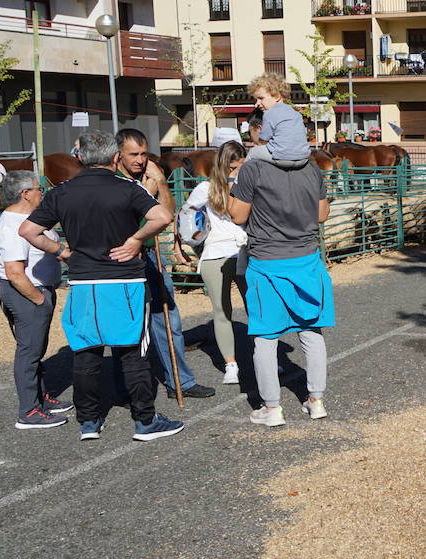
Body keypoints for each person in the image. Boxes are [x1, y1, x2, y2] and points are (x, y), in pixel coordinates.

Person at [20, 130, 182, 442]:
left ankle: (89, 421)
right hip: (125, 280)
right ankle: (145, 421)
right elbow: (163, 215)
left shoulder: (61, 192)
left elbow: (28, 230)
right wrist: (135, 240)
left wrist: (62, 252)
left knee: (86, 353)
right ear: (115, 157)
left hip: (84, 281)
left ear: (79, 157)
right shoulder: (127, 188)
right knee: (132, 351)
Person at [227, 139, 333, 428]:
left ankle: (272, 408)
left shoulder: (253, 169)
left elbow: (237, 215)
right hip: (305, 259)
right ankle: (316, 401)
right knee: (311, 330)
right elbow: (322, 215)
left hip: (268, 259)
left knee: (265, 335)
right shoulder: (311, 170)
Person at [115, 128, 215, 400]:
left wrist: (159, 185)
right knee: (129, 325)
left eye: (143, 154)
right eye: (133, 154)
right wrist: (145, 192)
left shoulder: (149, 176)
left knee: (168, 319)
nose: (139, 160)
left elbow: (167, 213)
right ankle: (126, 386)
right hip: (124, 260)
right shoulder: (115, 183)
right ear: (118, 155)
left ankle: (180, 381)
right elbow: (128, 222)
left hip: (150, 256)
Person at [0, 170, 73, 429]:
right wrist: (39, 299)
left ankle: (40, 398)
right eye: (38, 189)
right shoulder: (14, 225)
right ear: (25, 194)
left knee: (35, 350)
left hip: (36, 290)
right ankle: (28, 410)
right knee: (29, 351)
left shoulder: (26, 218)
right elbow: (15, 272)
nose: (42, 192)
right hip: (27, 292)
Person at [183, 140, 249, 385]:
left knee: (255, 307)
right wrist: (194, 242)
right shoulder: (206, 187)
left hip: (243, 250)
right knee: (222, 311)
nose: (238, 170)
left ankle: (264, 359)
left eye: (240, 166)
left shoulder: (246, 185)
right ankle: (231, 364)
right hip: (218, 251)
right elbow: (186, 214)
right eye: (235, 166)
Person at [247, 73, 310, 169]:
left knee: (253, 152)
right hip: (303, 158)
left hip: (282, 158)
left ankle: (237, 180)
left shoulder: (269, 113)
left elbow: (263, 140)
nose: (257, 104)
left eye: (261, 98)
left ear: (277, 96)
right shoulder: (295, 113)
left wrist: (258, 144)